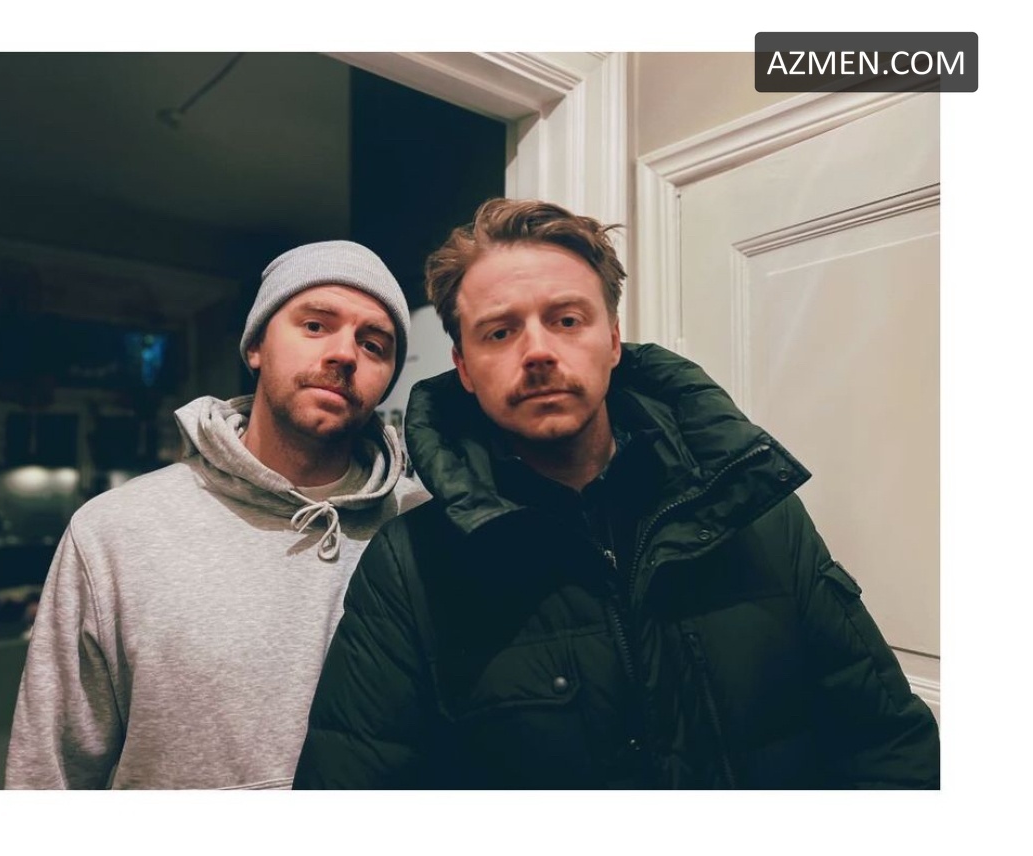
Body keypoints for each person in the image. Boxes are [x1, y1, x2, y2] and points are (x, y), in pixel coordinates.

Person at [292, 199, 940, 789]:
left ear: (611, 340)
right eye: (500, 332)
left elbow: (888, 747)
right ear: (463, 367)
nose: (538, 351)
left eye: (566, 319)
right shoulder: (409, 568)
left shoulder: (756, 512)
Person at [5, 240, 428, 789]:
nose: (345, 354)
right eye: (315, 325)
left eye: (373, 344)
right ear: (255, 347)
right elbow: (47, 774)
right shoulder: (116, 531)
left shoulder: (422, 527)